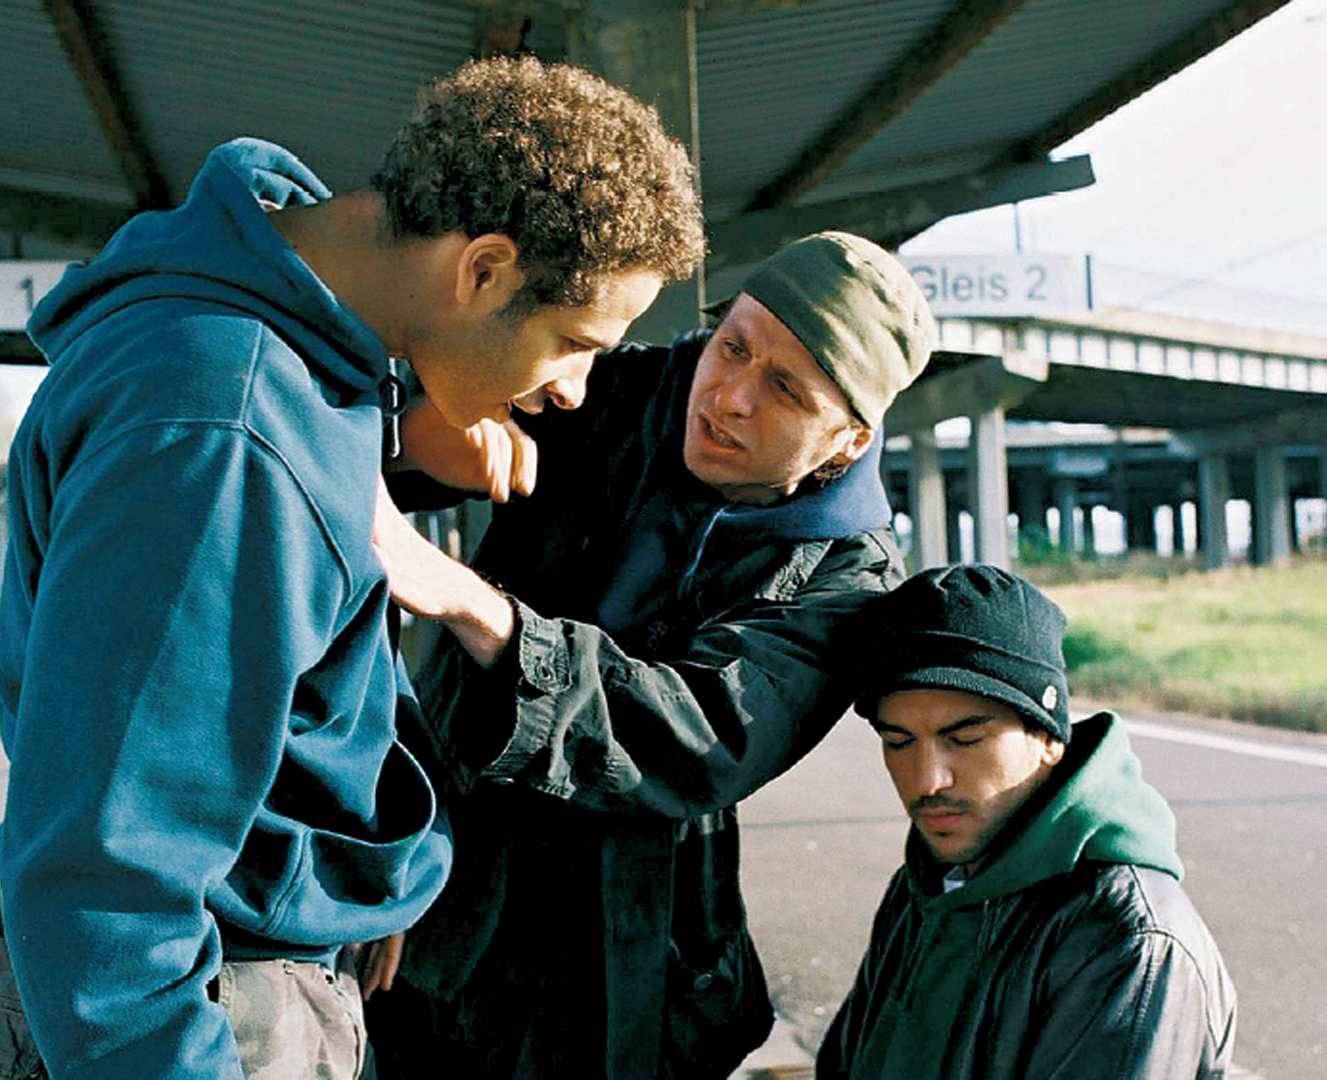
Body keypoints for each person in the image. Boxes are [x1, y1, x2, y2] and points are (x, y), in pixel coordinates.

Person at [0, 56, 702, 1080]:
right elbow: (107, 879)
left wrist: (345, 873)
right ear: (481, 270)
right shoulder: (222, 433)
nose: (574, 390)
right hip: (194, 1003)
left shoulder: (285, 340)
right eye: (573, 340)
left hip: (244, 954)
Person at [364, 231, 937, 1079]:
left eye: (785, 388)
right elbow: (395, 434)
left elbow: (699, 739)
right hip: (438, 882)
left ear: (849, 441)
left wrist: (470, 605)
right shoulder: (618, 387)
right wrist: (421, 439)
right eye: (733, 346)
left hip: (625, 960)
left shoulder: (848, 578)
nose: (731, 397)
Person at [818, 565, 1238, 1080]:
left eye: (965, 738)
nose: (927, 780)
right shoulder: (925, 888)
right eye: (898, 742)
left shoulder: (1127, 937)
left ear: (1048, 738)